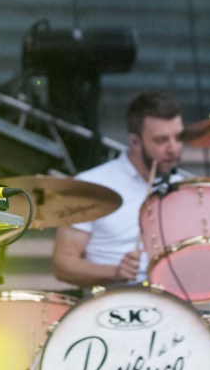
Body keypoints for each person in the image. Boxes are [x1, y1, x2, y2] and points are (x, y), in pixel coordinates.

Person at [52, 91, 187, 288]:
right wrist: (114, 272)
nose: (173, 148)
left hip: (171, 302)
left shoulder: (181, 186)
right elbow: (63, 264)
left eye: (179, 137)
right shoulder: (90, 186)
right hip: (112, 308)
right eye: (161, 140)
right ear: (135, 141)